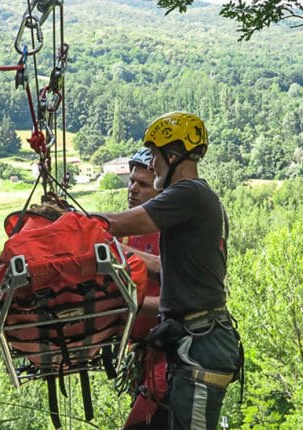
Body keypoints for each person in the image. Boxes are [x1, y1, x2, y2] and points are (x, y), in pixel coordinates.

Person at [97, 112, 242, 430]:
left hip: (200, 345)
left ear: (173, 156)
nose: (153, 166)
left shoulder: (188, 192)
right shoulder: (194, 199)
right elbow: (165, 268)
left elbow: (125, 220)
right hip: (193, 343)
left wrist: (77, 222)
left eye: (156, 158)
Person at [120, 148, 169, 429]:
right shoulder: (132, 230)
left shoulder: (176, 231)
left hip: (171, 360)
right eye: (131, 181)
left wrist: (130, 304)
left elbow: (178, 299)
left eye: (143, 184)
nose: (133, 189)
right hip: (145, 360)